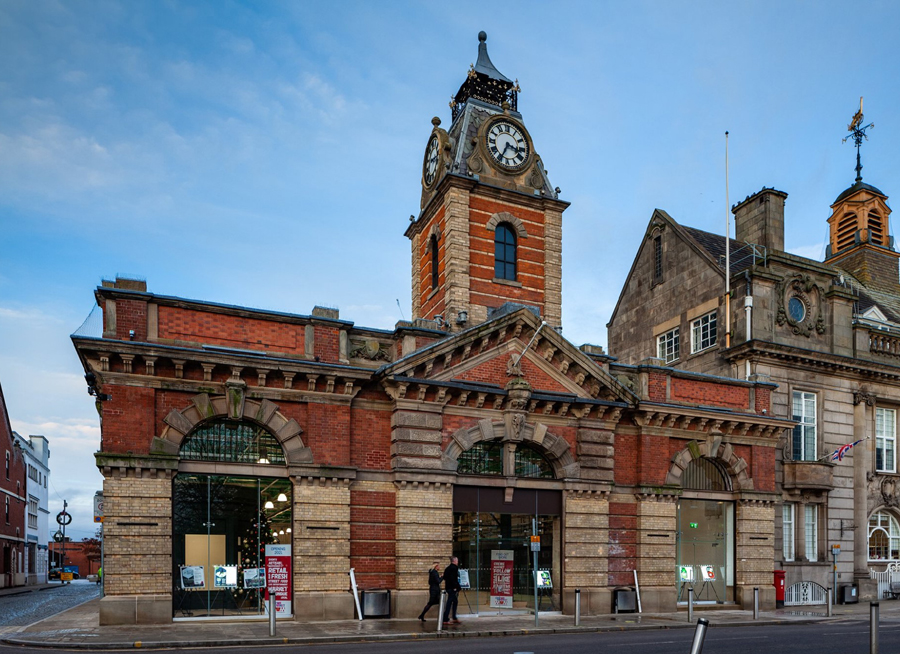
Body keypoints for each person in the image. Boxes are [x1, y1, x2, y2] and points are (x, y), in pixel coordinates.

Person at [442, 556, 461, 625]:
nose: (458, 562)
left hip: (448, 587)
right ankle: (445, 618)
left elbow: (445, 577)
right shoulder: (454, 568)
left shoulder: (447, 568)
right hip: (452, 588)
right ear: (454, 561)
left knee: (455, 601)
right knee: (449, 602)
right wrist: (456, 587)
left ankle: (454, 617)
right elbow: (454, 579)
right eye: (457, 561)